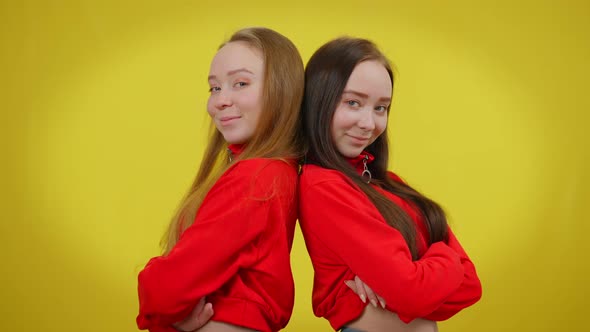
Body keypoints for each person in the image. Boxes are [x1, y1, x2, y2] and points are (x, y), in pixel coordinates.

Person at [298, 37, 482, 332]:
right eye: (353, 102)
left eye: (381, 108)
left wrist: (413, 276)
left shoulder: (390, 184)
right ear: (319, 100)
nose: (369, 123)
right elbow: (412, 294)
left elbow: (471, 286)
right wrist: (448, 260)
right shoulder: (321, 186)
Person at [136, 27, 305, 332]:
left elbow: (164, 289)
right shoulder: (277, 170)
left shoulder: (257, 177)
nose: (220, 101)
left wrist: (157, 291)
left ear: (282, 90)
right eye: (214, 88)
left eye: (240, 83)